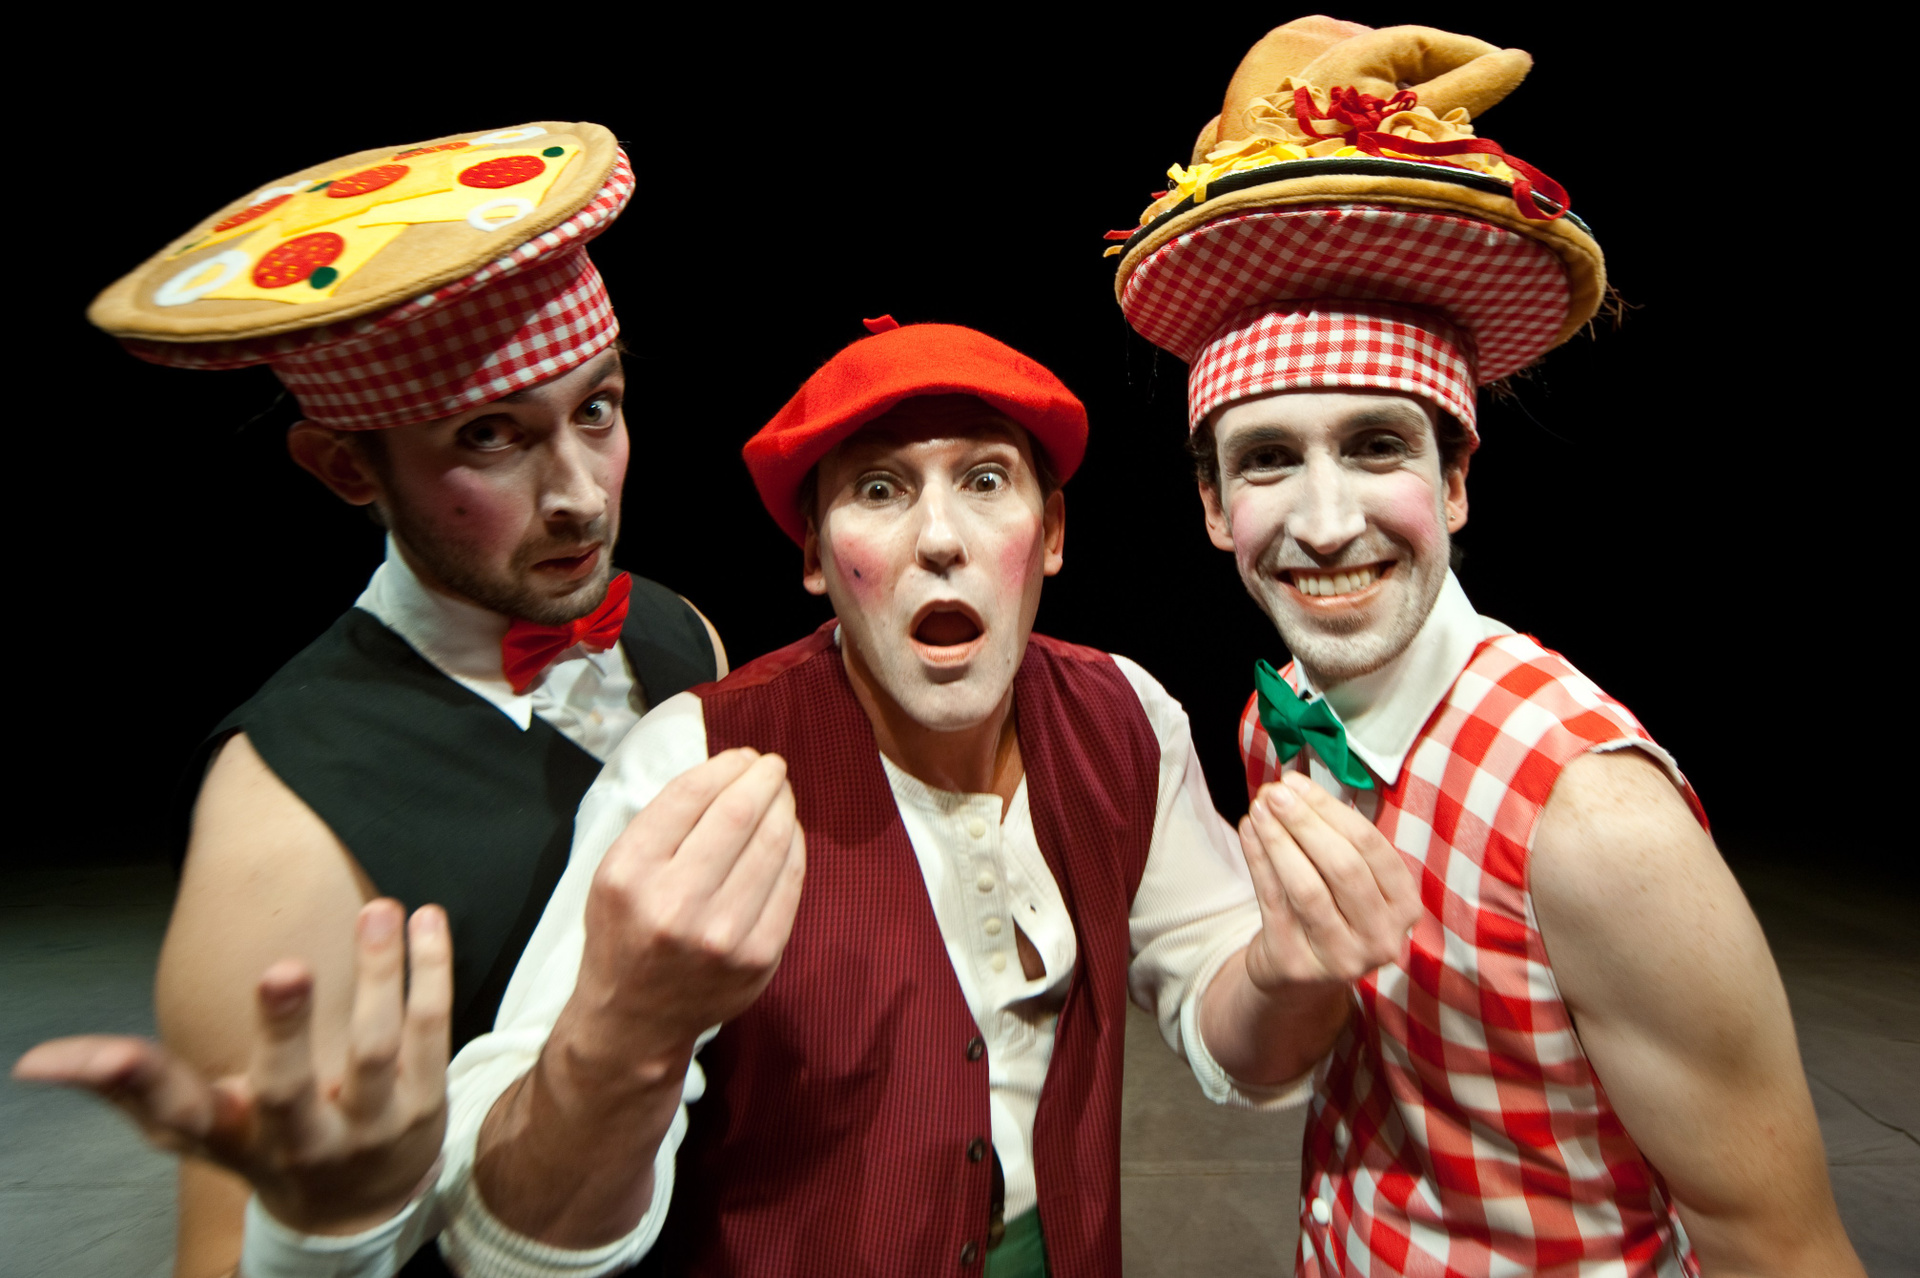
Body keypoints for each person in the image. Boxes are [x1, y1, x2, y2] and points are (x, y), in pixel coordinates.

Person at [390, 316, 1423, 1277]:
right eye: (880, 490)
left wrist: (1293, 972)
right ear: (814, 555)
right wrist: (626, 1036)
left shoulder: (1126, 717)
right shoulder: (690, 762)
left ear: (1051, 534)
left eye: (985, 480)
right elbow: (507, 1230)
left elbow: (1232, 1024)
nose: (939, 538)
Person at [1102, 16, 1864, 1277]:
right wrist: (1291, 972)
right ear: (1213, 506)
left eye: (1377, 447)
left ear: (1455, 480)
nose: (1326, 521)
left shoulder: (1596, 821)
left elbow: (1778, 1245)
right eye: (1269, 459)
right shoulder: (1277, 720)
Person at [13, 121, 725, 1278]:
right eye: (491, 437)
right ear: (347, 468)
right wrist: (326, 1227)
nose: (581, 497)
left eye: (596, 410)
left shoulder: (676, 631)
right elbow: (229, 1255)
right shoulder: (281, 818)